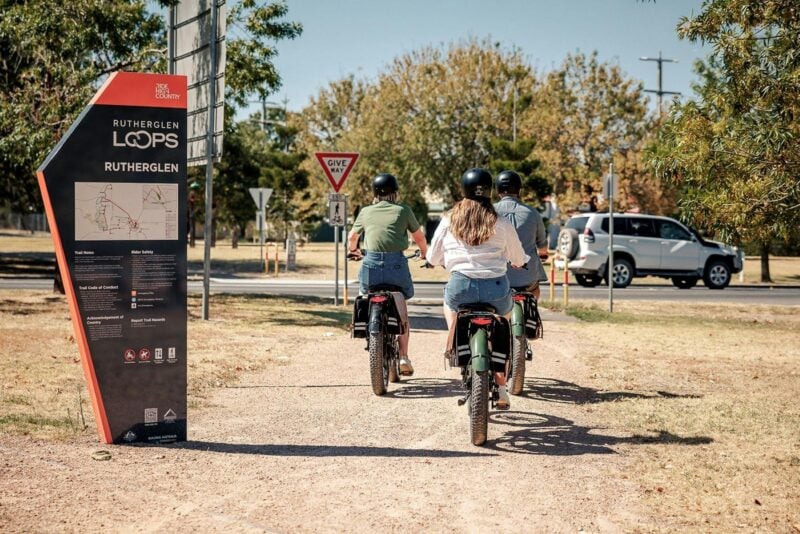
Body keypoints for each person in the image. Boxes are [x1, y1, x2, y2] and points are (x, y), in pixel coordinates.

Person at [428, 168, 530, 409]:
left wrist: (441, 261)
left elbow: (433, 256)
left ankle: (453, 341)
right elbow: (516, 255)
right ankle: (502, 388)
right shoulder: (501, 222)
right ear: (490, 191)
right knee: (502, 327)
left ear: (463, 190)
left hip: (460, 285)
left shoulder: (449, 219)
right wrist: (520, 262)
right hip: (495, 289)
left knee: (449, 303)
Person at [347, 173, 428, 375]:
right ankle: (403, 357)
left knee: (366, 293)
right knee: (402, 310)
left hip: (371, 263)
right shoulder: (403, 210)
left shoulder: (366, 211)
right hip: (396, 265)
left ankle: (369, 330)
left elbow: (352, 237)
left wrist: (355, 252)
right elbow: (419, 238)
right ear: (395, 192)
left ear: (375, 193)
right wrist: (425, 254)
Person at [494, 170, 549, 300]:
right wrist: (543, 254)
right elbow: (542, 245)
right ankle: (531, 314)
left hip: (498, 276)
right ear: (519, 190)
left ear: (497, 190)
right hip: (527, 277)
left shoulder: (489, 212)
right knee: (534, 289)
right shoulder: (532, 213)